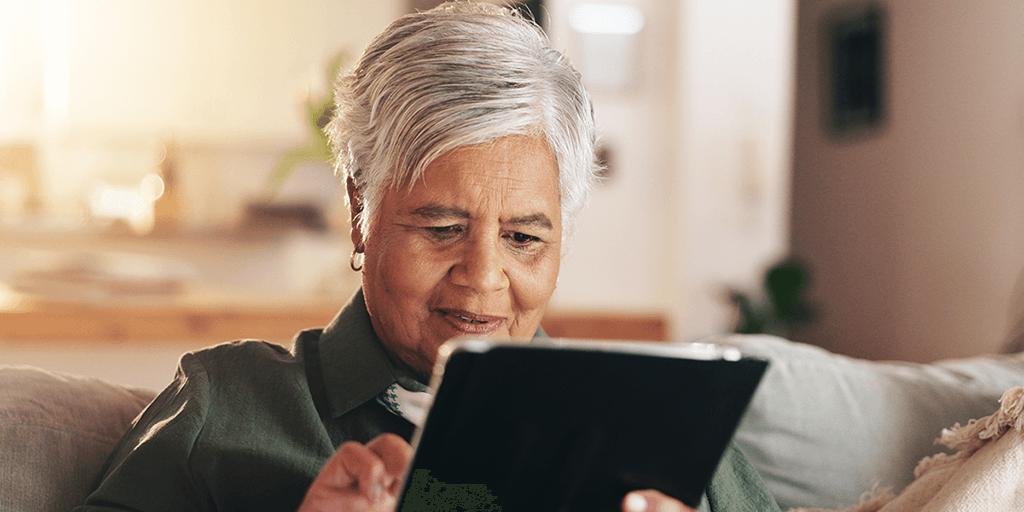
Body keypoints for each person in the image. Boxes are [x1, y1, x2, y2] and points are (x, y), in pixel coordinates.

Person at [76, 3, 780, 512]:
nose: (483, 278)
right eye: (441, 228)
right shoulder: (228, 408)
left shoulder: (668, 430)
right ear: (360, 211)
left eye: (524, 238)